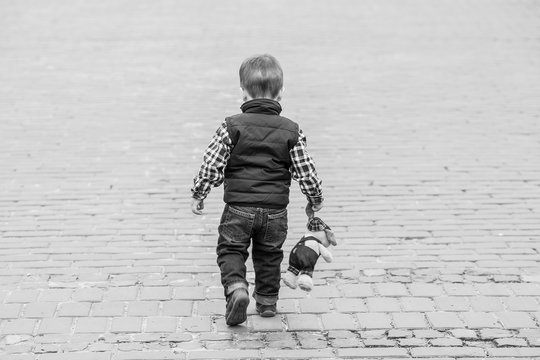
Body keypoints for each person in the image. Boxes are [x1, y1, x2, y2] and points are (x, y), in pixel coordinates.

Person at [191, 54, 323, 326]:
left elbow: (212, 164)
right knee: (269, 255)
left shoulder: (231, 127)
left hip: (238, 208)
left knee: (230, 250)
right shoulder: (291, 131)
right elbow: (305, 170)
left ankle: (237, 287)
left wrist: (199, 192)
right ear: (281, 92)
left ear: (243, 91)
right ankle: (266, 302)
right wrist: (315, 199)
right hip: (275, 212)